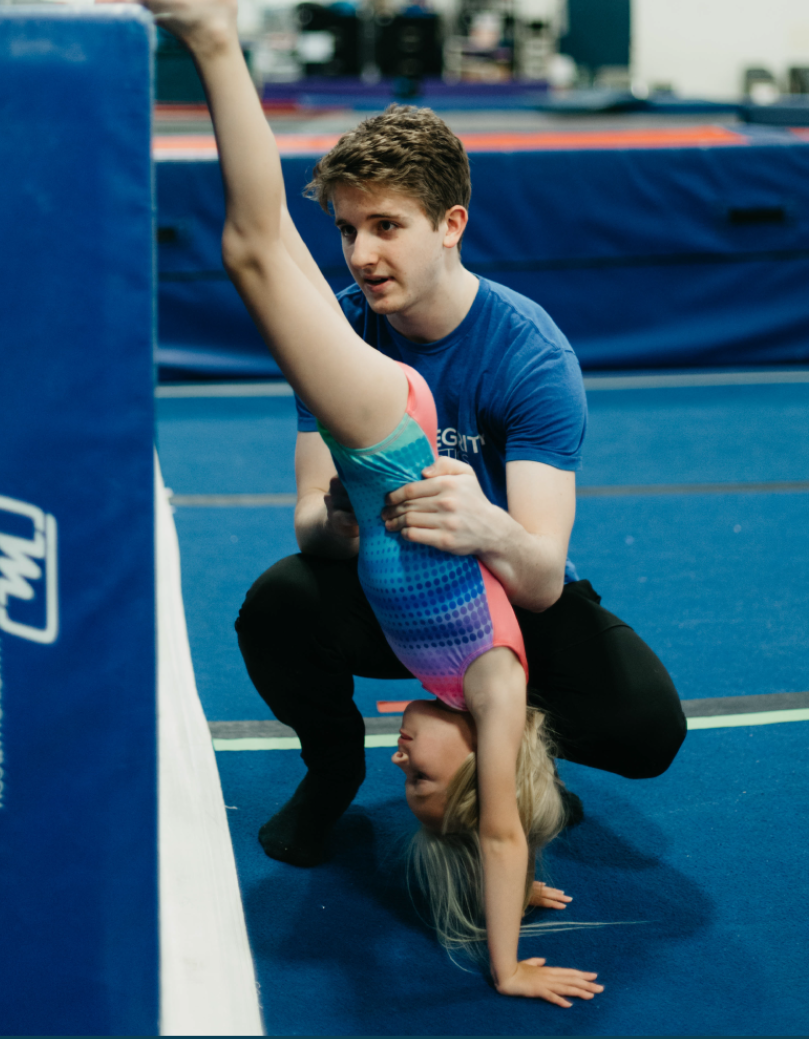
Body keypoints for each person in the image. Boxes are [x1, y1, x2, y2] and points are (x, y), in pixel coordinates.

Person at [127, 0, 607, 1005]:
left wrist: (509, 875)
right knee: (257, 250)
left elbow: (502, 834)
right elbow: (507, 825)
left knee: (265, 253)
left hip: (391, 445)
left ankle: (215, 43)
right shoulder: (495, 688)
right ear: (484, 759)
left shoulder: (448, 700)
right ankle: (215, 36)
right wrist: (507, 962)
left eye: (405, 784)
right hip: (394, 435)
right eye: (424, 779)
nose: (406, 762)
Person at [236, 106, 687, 870]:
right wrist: (334, 520)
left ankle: (520, 760)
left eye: (386, 226)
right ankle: (333, 765)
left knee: (646, 723)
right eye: (347, 231)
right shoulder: (336, 336)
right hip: (386, 583)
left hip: (501, 595)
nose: (361, 255)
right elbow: (308, 521)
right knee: (276, 605)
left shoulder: (530, 354)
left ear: (450, 224)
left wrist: (486, 524)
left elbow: (542, 576)